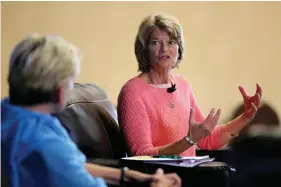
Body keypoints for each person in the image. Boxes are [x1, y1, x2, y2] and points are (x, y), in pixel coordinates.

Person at [1, 34, 181, 187]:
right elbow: (65, 165)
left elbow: (74, 165)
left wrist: (131, 176)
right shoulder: (45, 142)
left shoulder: (11, 114)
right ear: (60, 89)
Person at [117, 13, 263, 157]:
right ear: (144, 49)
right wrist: (189, 141)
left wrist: (245, 118)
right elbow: (141, 154)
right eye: (155, 42)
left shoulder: (182, 85)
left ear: (179, 48)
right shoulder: (132, 92)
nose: (164, 48)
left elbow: (207, 139)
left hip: (189, 175)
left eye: (171, 42)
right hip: (159, 177)